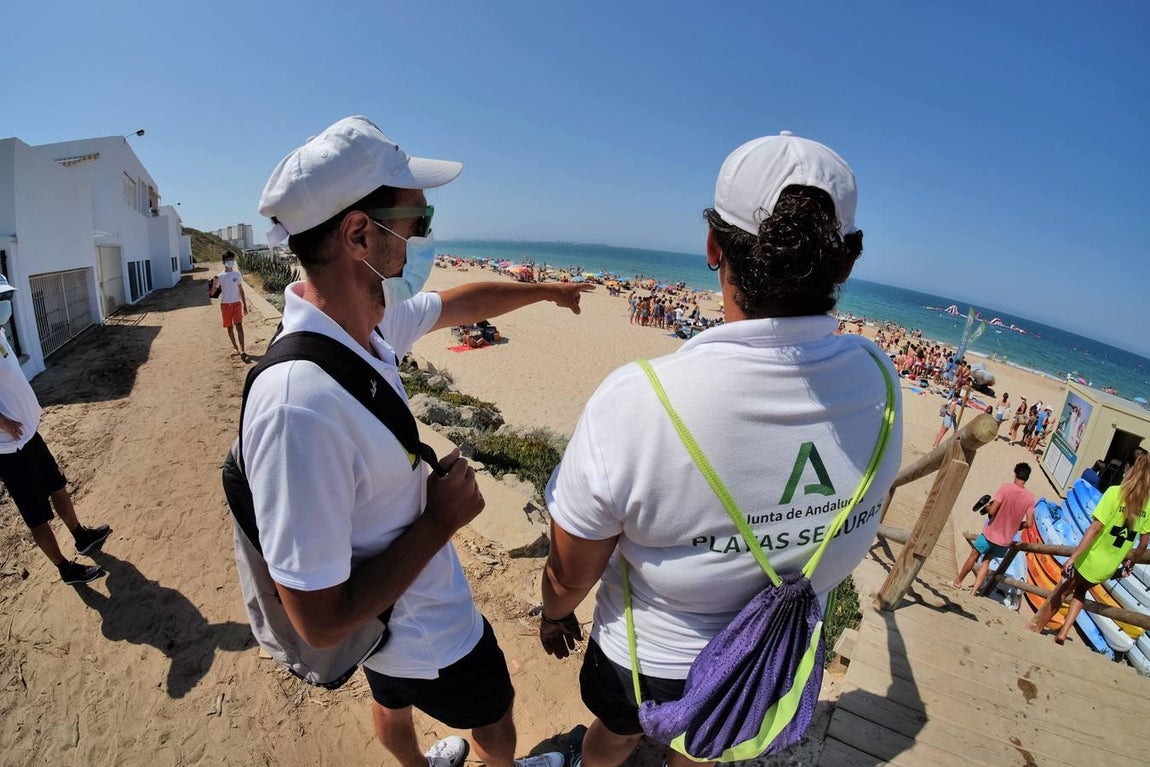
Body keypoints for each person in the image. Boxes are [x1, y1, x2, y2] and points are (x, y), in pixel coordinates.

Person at [538, 131, 903, 767]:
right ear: (845, 262)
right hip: (771, 659)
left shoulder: (638, 399)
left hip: (646, 656)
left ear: (713, 246)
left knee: (614, 735)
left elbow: (571, 572)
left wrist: (552, 614)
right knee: (707, 750)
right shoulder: (881, 381)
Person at [252, 116, 591, 767]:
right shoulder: (301, 402)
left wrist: (547, 291)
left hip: (387, 634)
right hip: (432, 631)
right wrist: (441, 520)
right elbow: (318, 622)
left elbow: (458, 303)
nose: (425, 238)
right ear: (358, 234)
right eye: (417, 221)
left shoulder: (361, 329)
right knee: (494, 718)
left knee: (389, 703)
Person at [0, 276, 112, 584]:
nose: (5, 305)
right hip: (10, 448)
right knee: (37, 514)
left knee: (57, 486)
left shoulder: (0, 333)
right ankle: (65, 568)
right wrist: (6, 423)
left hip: (30, 434)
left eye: (5, 298)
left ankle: (81, 535)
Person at [1028, 453, 1150, 644]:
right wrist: (1131, 559)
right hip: (1108, 567)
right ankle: (1063, 632)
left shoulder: (1115, 493)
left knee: (1062, 591)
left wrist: (1073, 556)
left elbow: (1095, 528)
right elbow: (1143, 543)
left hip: (1091, 558)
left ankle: (1037, 627)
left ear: (1130, 470)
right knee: (1080, 592)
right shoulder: (1147, 505)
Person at [952, 463, 1035, 594]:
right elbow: (1029, 524)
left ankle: (958, 581)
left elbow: (993, 510)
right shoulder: (1030, 498)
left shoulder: (1005, 488)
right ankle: (974, 591)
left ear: (1015, 474)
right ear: (1027, 477)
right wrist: (1020, 525)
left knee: (974, 555)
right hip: (1005, 540)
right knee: (987, 561)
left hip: (990, 533)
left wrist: (987, 507)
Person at [210, 255, 250, 362]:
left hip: (237, 303)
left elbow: (241, 290)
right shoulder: (220, 276)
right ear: (224, 262)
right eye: (227, 260)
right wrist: (214, 283)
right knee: (229, 328)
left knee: (239, 326)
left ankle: (242, 350)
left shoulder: (237, 274)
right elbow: (212, 293)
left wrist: (245, 306)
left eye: (231, 260)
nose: (230, 262)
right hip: (225, 305)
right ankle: (236, 348)